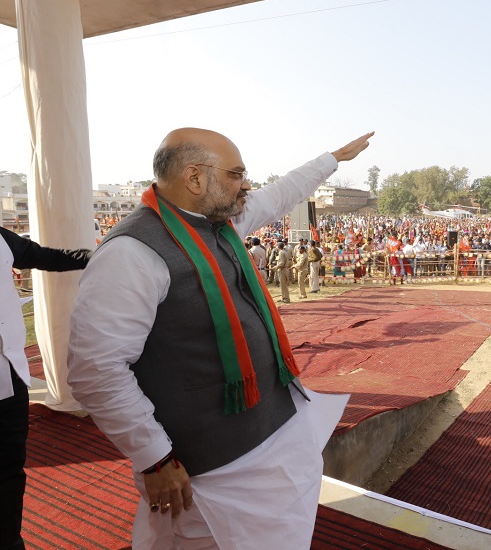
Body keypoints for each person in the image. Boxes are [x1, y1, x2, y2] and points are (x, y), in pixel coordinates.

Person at [67, 128, 372, 549]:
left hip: (273, 428)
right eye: (236, 174)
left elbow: (281, 193)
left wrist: (332, 159)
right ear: (195, 178)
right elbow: (95, 372)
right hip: (212, 467)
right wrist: (154, 457)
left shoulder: (222, 221)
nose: (246, 185)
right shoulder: (130, 254)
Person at [1, 227, 91, 550]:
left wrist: (92, 256)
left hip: (9, 380)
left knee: (10, 470)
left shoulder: (2, 239)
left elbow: (45, 257)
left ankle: (9, 540)